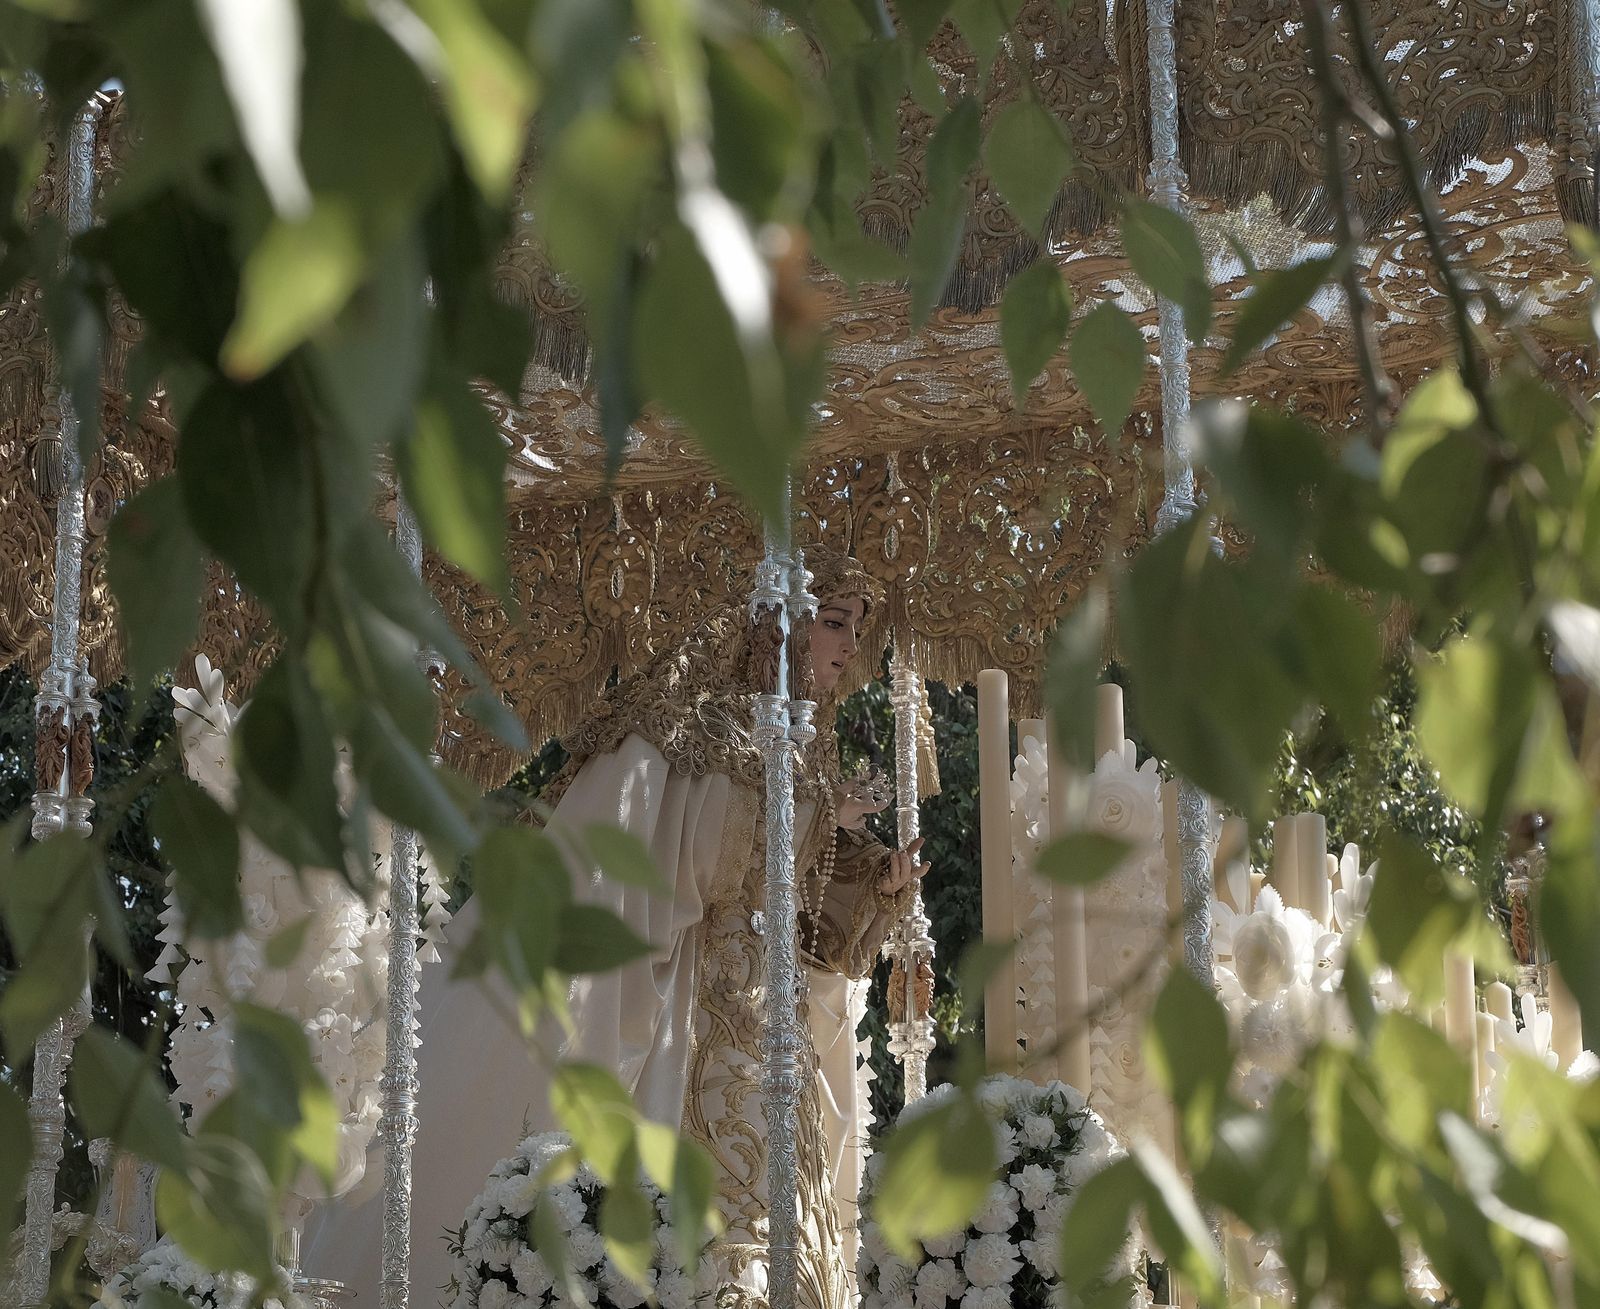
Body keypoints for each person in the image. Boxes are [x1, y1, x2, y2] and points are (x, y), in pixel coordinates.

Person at [302, 546, 929, 1309]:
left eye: (856, 628)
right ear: (776, 625)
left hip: (765, 1033)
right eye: (833, 622)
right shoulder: (692, 728)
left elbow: (799, 911)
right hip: (677, 1015)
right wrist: (778, 823)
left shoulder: (807, 752)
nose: (850, 646)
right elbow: (649, 860)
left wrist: (871, 881)